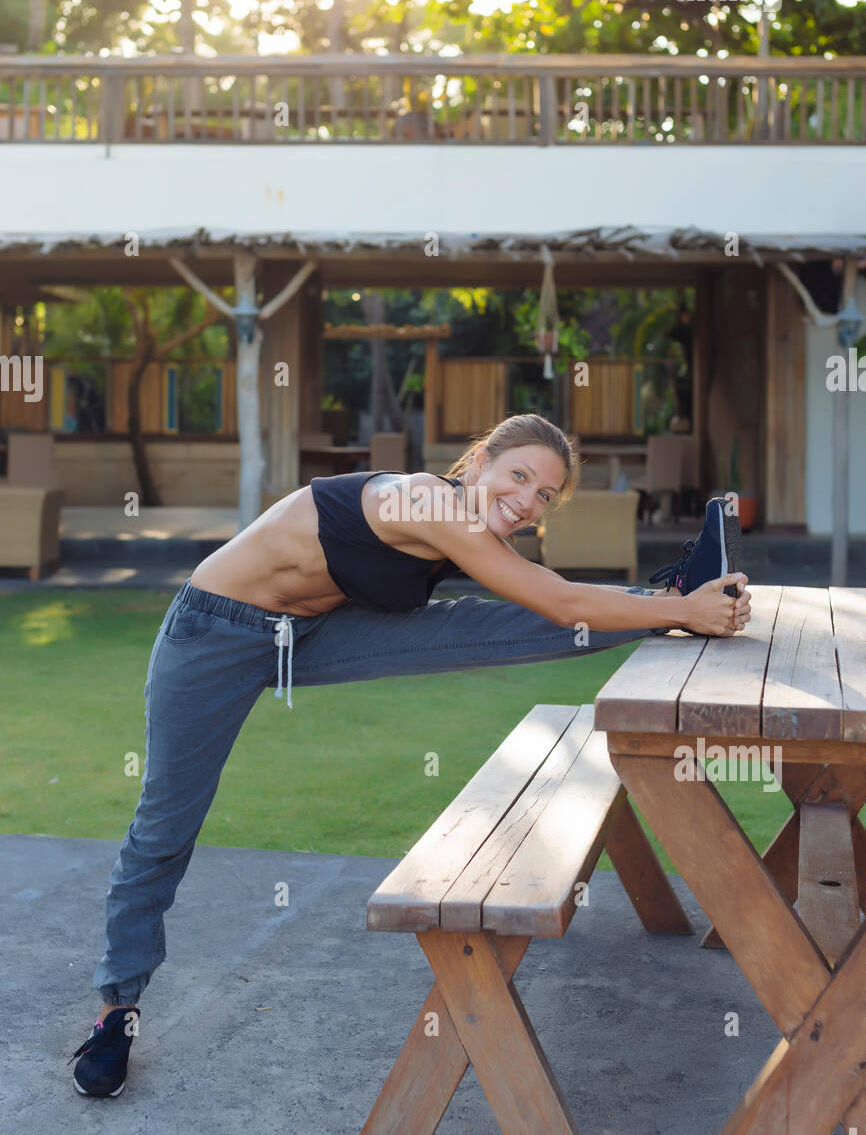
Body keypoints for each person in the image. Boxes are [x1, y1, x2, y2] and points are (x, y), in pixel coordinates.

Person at [68, 413, 749, 1097]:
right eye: (520, 475)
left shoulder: (476, 531)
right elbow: (556, 595)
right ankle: (115, 1010)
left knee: (496, 625)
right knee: (164, 827)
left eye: (546, 494)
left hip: (313, 631)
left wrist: (679, 607)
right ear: (479, 459)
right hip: (216, 633)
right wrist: (691, 615)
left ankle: (672, 598)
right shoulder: (424, 503)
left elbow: (550, 602)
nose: (528, 499)